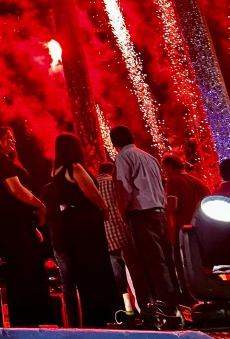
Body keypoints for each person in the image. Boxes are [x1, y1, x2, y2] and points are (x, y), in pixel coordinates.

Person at [110, 125, 182, 326]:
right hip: (159, 213)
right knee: (166, 261)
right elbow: (160, 186)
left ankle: (162, 311)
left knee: (153, 263)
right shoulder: (149, 156)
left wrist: (123, 213)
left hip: (141, 215)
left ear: (114, 142)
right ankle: (175, 305)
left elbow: (124, 188)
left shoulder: (123, 157)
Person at [49, 133, 121, 327]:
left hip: (70, 225)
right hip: (86, 224)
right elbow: (92, 193)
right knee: (97, 269)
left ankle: (91, 317)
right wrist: (104, 209)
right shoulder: (74, 167)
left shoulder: (55, 172)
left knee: (82, 274)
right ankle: (107, 315)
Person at [0, 125, 52, 327]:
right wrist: (40, 205)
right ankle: (28, 323)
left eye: (13, 137)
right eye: (8, 137)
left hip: (21, 224)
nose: (13, 140)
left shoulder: (7, 161)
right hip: (13, 228)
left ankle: (35, 321)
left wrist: (31, 225)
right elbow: (15, 190)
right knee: (23, 275)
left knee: (31, 273)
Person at [96, 161, 147, 323]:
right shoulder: (114, 183)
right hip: (124, 236)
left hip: (107, 240)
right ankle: (145, 310)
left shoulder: (93, 186)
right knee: (137, 278)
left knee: (119, 283)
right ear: (112, 171)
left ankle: (127, 314)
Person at [161, 153, 211, 306]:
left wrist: (159, 205)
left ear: (170, 166)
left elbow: (172, 206)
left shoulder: (173, 181)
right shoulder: (198, 182)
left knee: (183, 269)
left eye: (164, 168)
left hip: (183, 231)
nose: (164, 172)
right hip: (203, 231)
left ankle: (190, 304)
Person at [40, 179, 79, 327]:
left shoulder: (47, 189)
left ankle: (73, 323)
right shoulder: (74, 186)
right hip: (75, 240)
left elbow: (44, 217)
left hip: (58, 240)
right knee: (76, 282)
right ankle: (89, 322)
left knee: (68, 284)